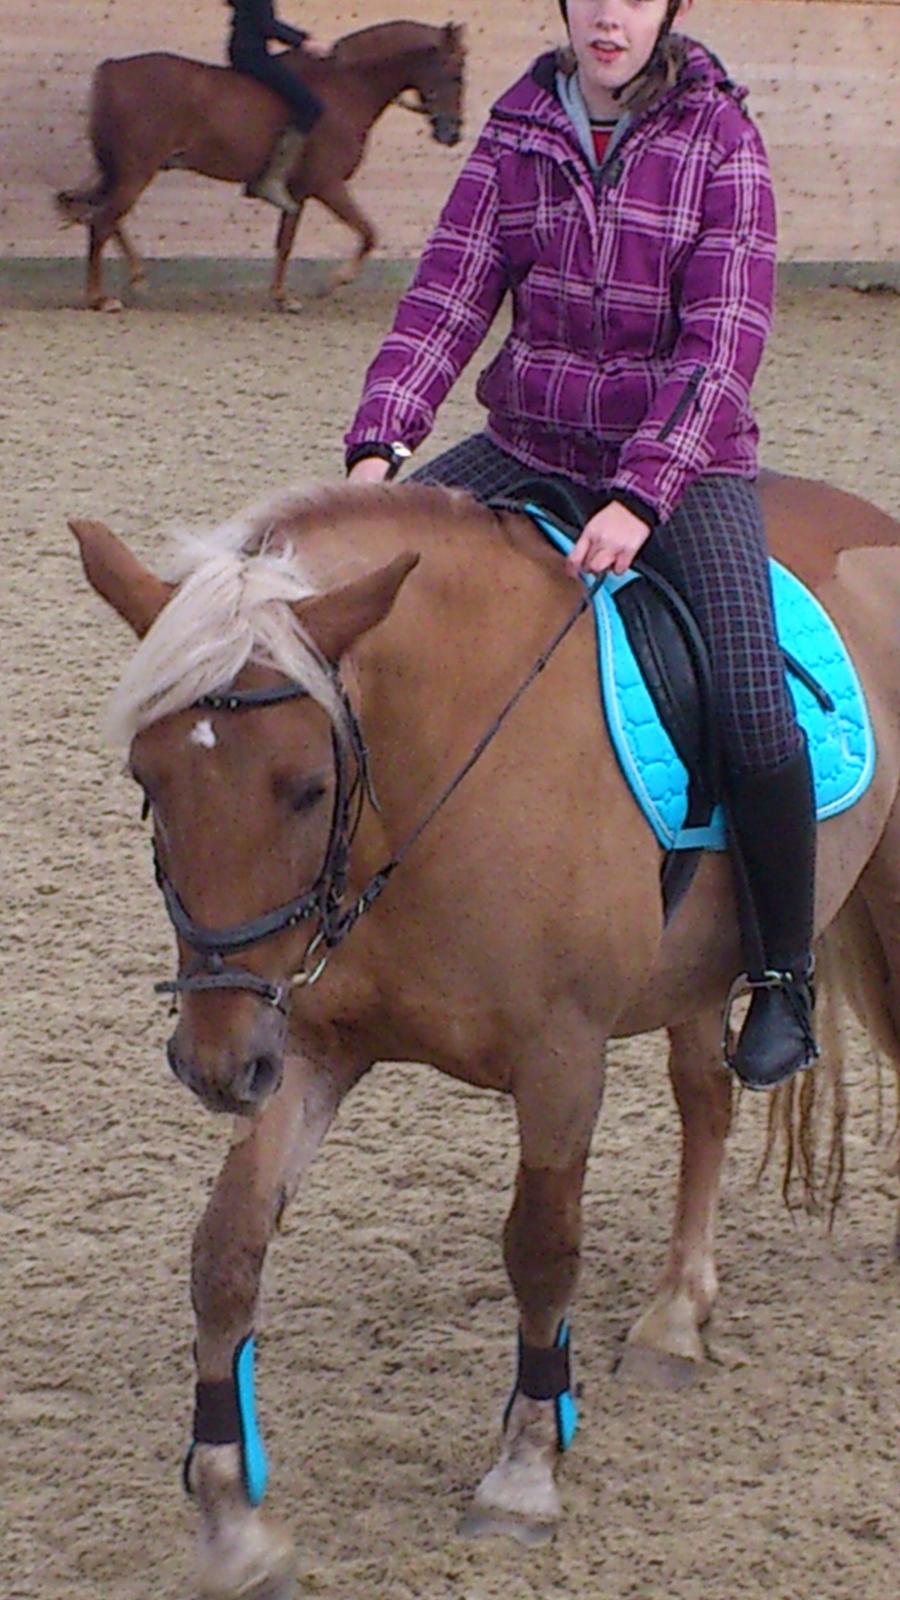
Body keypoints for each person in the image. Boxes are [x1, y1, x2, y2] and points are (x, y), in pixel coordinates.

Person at [344, 0, 819, 1092]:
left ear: (672, 11)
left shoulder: (719, 140)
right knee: (369, 595)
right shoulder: (519, 129)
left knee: (751, 692)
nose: (611, 13)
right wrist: (382, 443)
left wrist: (645, 496)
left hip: (688, 465)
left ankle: (783, 974)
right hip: (528, 441)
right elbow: (447, 296)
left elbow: (725, 342)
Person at [226, 0, 326, 212]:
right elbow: (266, 24)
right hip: (252, 55)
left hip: (245, 48)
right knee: (310, 106)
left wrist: (303, 37)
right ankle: (272, 178)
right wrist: (303, 42)